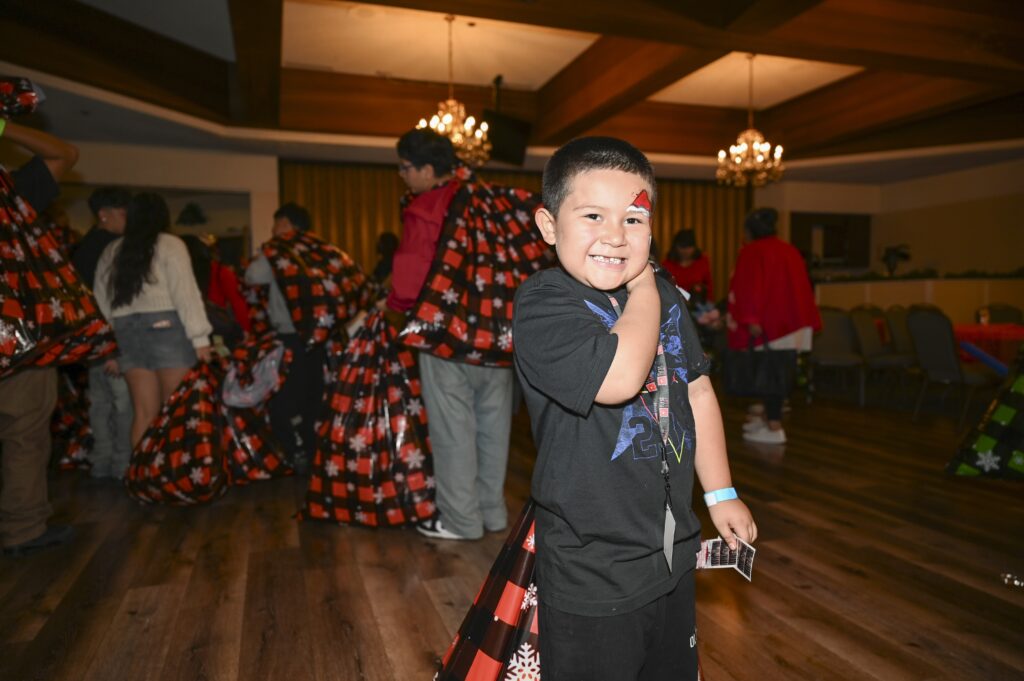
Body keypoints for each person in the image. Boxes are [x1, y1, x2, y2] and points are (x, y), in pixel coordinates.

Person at [513, 136, 756, 680]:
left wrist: (721, 493)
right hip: (590, 565)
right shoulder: (544, 303)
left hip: (670, 553)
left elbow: (696, 390)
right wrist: (646, 284)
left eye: (633, 219)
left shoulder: (667, 298)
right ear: (549, 227)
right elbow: (618, 379)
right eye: (593, 215)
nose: (615, 237)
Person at [390, 129, 515, 541]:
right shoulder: (488, 200)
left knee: (453, 430)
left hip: (448, 338)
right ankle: (493, 513)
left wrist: (393, 308)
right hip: (498, 337)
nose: (402, 175)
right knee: (493, 429)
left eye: (406, 168)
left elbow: (409, 282)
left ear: (427, 169)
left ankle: (462, 521)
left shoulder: (426, 206)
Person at [0, 119, 79, 556]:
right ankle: (22, 529)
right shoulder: (11, 197)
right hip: (15, 334)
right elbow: (63, 153)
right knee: (24, 431)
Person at [93, 193, 213, 447]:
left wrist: (108, 350)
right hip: (167, 328)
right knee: (176, 411)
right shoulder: (170, 244)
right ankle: (173, 478)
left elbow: (100, 304)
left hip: (125, 332)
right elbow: (186, 294)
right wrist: (200, 339)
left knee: (144, 413)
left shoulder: (112, 251)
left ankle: (142, 478)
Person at [244, 203, 330, 470]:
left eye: (277, 224)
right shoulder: (320, 250)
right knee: (312, 396)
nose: (273, 230)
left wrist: (266, 251)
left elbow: (251, 276)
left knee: (280, 397)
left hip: (290, 336)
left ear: (288, 226)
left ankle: (295, 452)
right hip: (319, 335)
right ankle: (312, 451)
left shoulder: (279, 252)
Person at [727, 207, 821, 444]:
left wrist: (749, 318)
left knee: (768, 374)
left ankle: (774, 426)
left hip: (767, 322)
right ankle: (769, 420)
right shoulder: (788, 250)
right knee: (778, 373)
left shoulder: (752, 252)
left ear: (749, 231)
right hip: (791, 321)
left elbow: (748, 288)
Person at [72, 187, 135, 478]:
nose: (128, 218)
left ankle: (101, 461)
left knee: (99, 402)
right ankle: (122, 463)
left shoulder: (84, 246)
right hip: (113, 333)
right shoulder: (117, 248)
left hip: (90, 336)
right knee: (122, 401)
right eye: (123, 213)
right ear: (104, 214)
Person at [661, 228, 713, 301]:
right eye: (682, 247)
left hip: (700, 306)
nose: (686, 251)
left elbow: (709, 288)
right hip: (675, 303)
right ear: (676, 247)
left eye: (689, 247)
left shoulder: (702, 262)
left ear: (694, 247)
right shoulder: (667, 264)